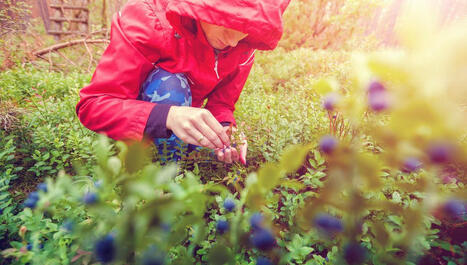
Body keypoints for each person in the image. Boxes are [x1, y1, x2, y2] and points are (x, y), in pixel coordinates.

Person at [76, 0, 291, 164]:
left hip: (186, 125)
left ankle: (182, 161)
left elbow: (222, 104)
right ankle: (158, 174)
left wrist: (226, 127)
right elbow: (94, 104)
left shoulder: (245, 46)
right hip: (138, 128)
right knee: (170, 85)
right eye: (227, 24)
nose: (234, 41)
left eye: (247, 28)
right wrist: (168, 115)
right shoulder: (147, 20)